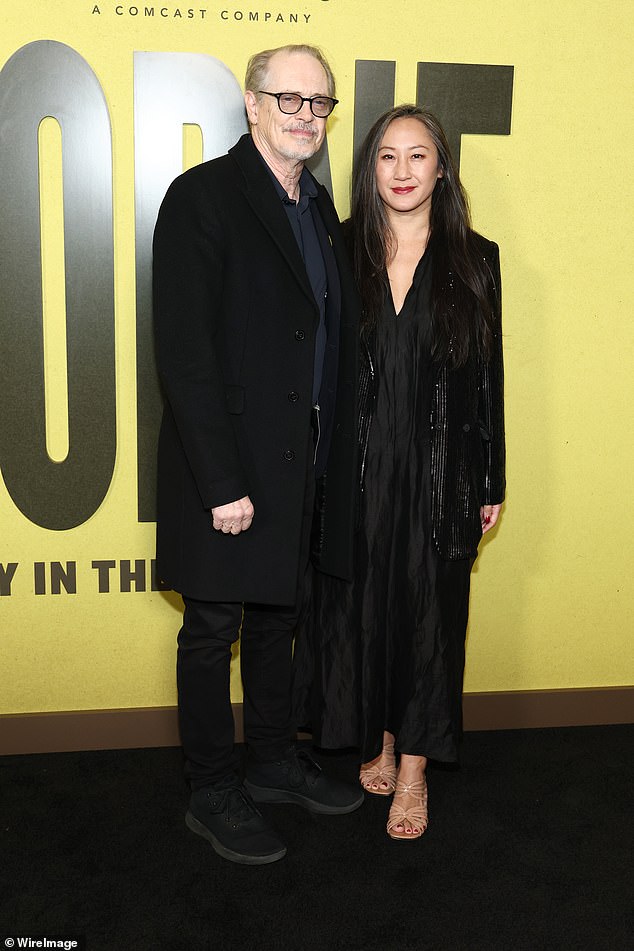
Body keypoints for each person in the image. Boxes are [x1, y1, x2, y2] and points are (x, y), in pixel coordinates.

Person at [152, 44, 363, 866]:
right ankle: (211, 789)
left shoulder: (319, 208)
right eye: (289, 99)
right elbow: (184, 354)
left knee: (280, 617)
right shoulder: (202, 197)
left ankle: (273, 759)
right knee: (213, 628)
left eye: (320, 103)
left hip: (298, 460)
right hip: (229, 468)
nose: (306, 116)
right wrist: (221, 482)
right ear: (252, 102)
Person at [294, 105, 505, 840]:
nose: (404, 170)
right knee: (363, 608)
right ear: (370, 168)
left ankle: (413, 770)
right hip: (357, 467)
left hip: (441, 468)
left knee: (428, 616)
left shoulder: (477, 258)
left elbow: (489, 378)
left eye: (419, 155)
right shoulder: (341, 247)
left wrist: (491, 479)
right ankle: (378, 738)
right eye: (388, 156)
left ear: (441, 168)